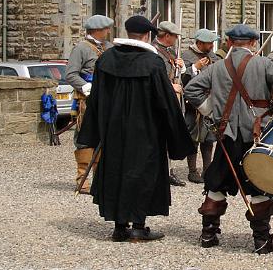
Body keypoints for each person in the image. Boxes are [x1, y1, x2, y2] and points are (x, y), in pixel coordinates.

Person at [184, 24, 273, 254]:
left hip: (226, 134)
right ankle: (262, 240)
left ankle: (208, 235)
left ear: (228, 42)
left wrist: (211, 113)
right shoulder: (263, 63)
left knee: (217, 181)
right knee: (258, 184)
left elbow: (191, 89)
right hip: (255, 135)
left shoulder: (217, 66)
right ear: (253, 43)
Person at [78, 15, 196, 242]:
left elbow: (97, 100)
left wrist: (93, 132)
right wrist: (176, 136)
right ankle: (139, 226)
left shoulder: (106, 59)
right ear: (147, 35)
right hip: (146, 132)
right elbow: (165, 101)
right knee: (143, 175)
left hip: (113, 131)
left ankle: (119, 226)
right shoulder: (152, 64)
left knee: (116, 172)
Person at [66, 14, 114, 194]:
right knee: (85, 138)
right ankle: (83, 180)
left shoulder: (109, 47)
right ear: (97, 30)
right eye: (106, 29)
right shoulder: (81, 48)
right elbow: (71, 74)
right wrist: (87, 87)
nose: (108, 32)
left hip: (106, 99)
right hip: (87, 100)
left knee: (104, 138)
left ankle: (99, 180)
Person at [181, 28, 221, 183]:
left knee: (209, 137)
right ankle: (192, 171)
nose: (212, 45)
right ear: (200, 42)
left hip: (210, 101)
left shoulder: (213, 56)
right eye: (209, 43)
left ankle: (207, 170)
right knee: (193, 138)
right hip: (193, 103)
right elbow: (182, 80)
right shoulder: (186, 56)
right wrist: (194, 68)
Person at [151, 21, 188, 187]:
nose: (176, 39)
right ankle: (159, 172)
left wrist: (182, 66)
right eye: (174, 36)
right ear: (166, 36)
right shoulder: (152, 51)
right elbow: (154, 77)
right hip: (159, 100)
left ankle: (168, 171)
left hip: (172, 98)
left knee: (169, 136)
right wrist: (170, 86)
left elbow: (179, 72)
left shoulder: (170, 51)